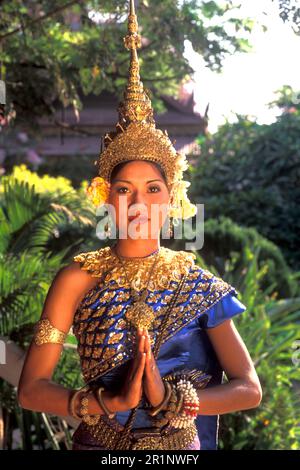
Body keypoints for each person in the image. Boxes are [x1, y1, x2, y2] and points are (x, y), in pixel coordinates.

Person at [17, 0, 262, 451]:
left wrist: (173, 398)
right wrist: (105, 402)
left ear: (172, 198)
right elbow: (31, 389)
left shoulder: (199, 286)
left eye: (152, 189)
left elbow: (249, 388)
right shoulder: (77, 279)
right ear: (105, 195)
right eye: (124, 189)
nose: (137, 202)